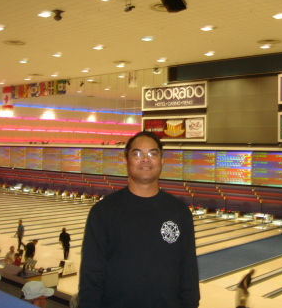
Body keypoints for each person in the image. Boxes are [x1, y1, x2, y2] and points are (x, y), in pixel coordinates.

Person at [79, 131, 200, 308]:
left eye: (152, 153)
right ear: (125, 160)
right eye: (137, 154)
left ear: (162, 161)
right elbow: (91, 276)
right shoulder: (103, 212)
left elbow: (188, 272)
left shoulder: (179, 212)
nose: (145, 159)